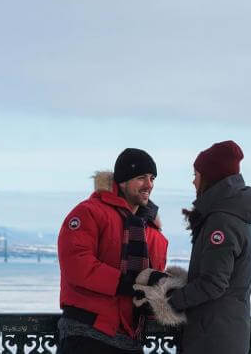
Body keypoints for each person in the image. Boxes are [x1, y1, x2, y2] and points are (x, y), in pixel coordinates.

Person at [133, 140, 251, 354]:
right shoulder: (232, 214)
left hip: (213, 339)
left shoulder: (222, 222)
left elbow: (214, 283)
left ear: (210, 178)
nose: (193, 181)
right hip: (221, 333)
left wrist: (169, 301)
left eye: (196, 175)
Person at [57, 148, 168, 354]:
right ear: (123, 181)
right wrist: (127, 283)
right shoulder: (89, 212)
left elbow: (151, 282)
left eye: (152, 178)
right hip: (88, 333)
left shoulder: (151, 231)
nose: (149, 185)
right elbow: (77, 264)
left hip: (130, 337)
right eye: (141, 178)